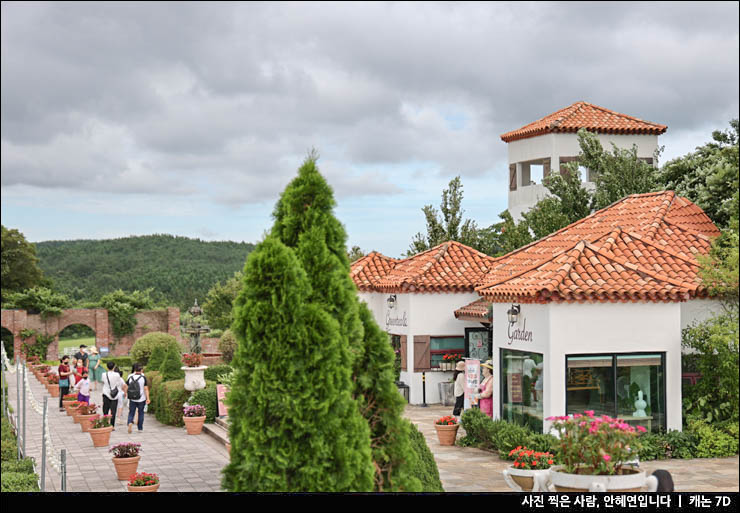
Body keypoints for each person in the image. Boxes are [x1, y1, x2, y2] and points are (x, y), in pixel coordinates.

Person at [123, 363, 150, 434]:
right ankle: (140, 428)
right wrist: (148, 398)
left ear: (135, 370)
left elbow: (126, 386)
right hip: (141, 398)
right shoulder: (143, 378)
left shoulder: (130, 377)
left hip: (132, 398)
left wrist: (125, 393)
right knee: (141, 413)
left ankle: (129, 422)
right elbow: (146, 389)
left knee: (131, 412)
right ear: (141, 370)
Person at [102, 361, 125, 429]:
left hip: (106, 393)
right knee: (113, 411)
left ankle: (105, 424)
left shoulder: (104, 374)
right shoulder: (117, 375)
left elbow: (103, 381)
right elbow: (118, 383)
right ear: (114, 367)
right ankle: (112, 426)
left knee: (105, 410)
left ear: (107, 367)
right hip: (114, 394)